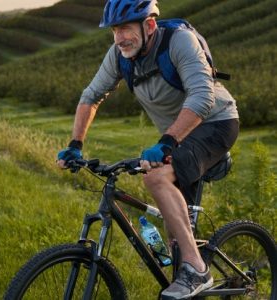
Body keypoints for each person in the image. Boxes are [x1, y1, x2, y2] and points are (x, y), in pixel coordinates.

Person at [57, 0, 239, 299]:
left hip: (215, 124)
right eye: (115, 31)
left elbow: (203, 96)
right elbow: (91, 95)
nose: (119, 38)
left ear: (150, 25)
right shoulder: (120, 56)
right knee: (175, 237)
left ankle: (198, 271)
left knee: (155, 178)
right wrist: (75, 145)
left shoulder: (179, 41)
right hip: (178, 136)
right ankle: (187, 267)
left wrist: (167, 142)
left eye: (126, 28)